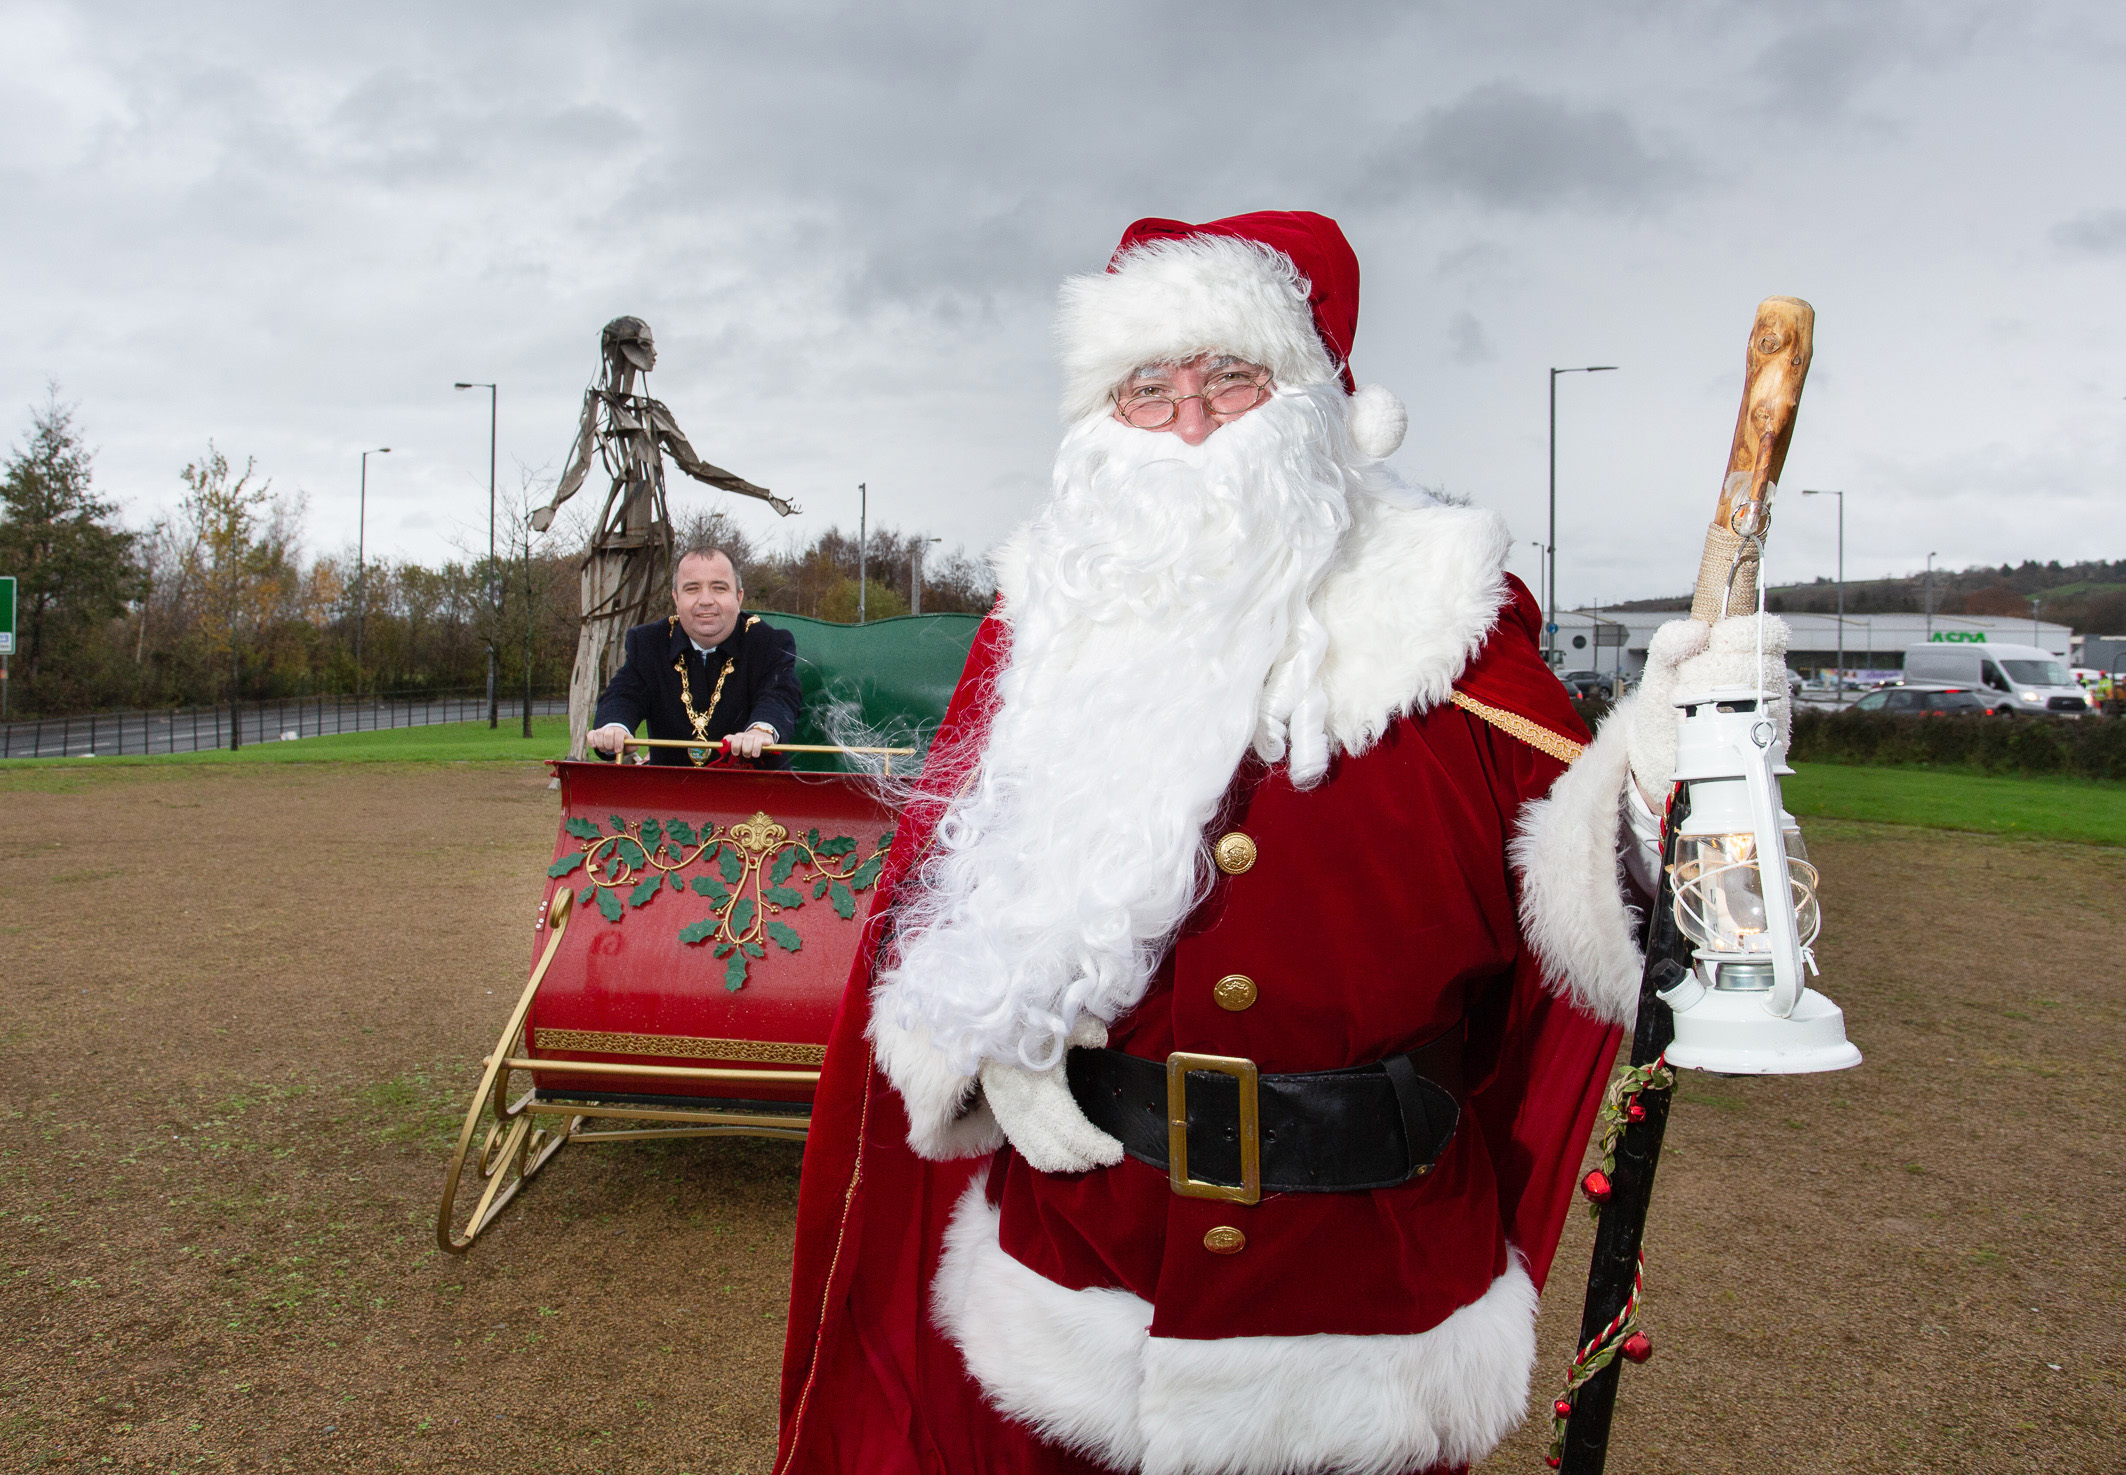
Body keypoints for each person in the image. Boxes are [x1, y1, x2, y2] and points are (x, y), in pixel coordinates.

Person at [774, 211, 1782, 1475]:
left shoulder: (1449, 620)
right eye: (1149, 385)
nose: (1188, 421)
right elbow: (960, 891)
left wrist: (1666, 765)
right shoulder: (1050, 617)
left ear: (1315, 404)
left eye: (1229, 378)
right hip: (1082, 1250)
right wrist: (990, 1043)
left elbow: (1576, 898)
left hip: (1356, 1279)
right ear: (1103, 414)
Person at [586, 545, 801, 767]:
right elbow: (623, 695)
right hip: (670, 794)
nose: (706, 600)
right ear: (676, 599)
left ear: (739, 598)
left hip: (755, 793)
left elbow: (780, 696)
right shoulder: (648, 643)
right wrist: (614, 728)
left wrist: (760, 731)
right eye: (692, 589)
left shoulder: (769, 643)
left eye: (719, 588)